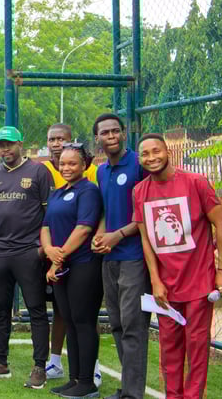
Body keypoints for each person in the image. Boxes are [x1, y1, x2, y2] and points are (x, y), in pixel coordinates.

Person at [134, 134, 222, 399]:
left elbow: (221, 225)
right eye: (145, 154)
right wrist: (155, 280)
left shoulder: (196, 182)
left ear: (168, 152)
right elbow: (146, 239)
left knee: (197, 348)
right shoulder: (139, 191)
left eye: (156, 151)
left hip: (199, 281)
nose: (151, 158)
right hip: (166, 287)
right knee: (170, 350)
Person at [0, 126, 52, 388]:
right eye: (1, 145)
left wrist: (42, 248)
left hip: (28, 251)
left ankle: (40, 366)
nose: (5, 149)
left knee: (36, 309)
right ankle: (0, 362)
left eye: (9, 144)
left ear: (21, 143)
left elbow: (50, 214)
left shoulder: (38, 171)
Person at [90, 114, 150, 399]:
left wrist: (119, 235)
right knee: (116, 323)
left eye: (116, 131)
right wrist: (101, 235)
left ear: (124, 133)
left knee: (133, 325)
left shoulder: (139, 165)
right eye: (105, 132)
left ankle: (132, 393)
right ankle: (128, 388)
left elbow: (147, 212)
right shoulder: (102, 171)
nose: (111, 136)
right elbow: (105, 211)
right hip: (110, 257)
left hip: (134, 256)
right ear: (97, 138)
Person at [42, 143, 104, 399]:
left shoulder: (89, 191)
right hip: (60, 266)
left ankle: (87, 383)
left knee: (83, 320)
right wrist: (49, 250)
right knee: (68, 320)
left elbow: (84, 228)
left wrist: (58, 260)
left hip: (83, 264)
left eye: (72, 163)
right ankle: (74, 379)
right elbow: (45, 226)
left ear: (84, 165)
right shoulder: (58, 193)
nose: (66, 167)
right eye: (63, 163)